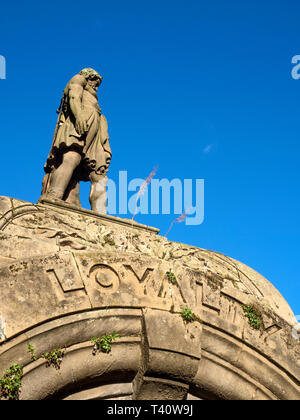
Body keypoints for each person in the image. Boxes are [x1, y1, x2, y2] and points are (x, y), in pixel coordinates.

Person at [41, 68, 112, 214]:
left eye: (98, 83)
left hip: (96, 131)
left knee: (99, 173)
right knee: (71, 158)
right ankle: (53, 197)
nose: (96, 85)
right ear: (88, 76)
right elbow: (74, 96)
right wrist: (79, 115)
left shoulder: (93, 97)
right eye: (94, 80)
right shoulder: (78, 79)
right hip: (80, 124)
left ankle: (100, 214)